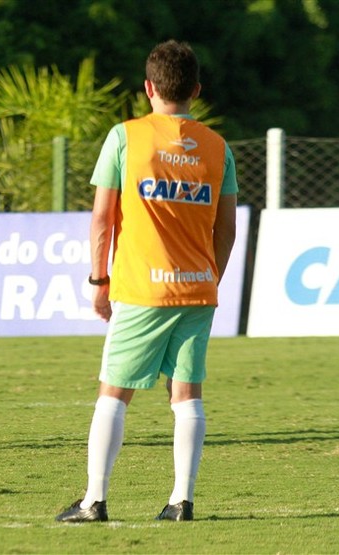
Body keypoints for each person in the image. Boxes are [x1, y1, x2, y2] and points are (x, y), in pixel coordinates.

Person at [55, 40, 238, 522]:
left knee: (113, 392)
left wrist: (99, 278)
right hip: (198, 289)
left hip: (141, 289)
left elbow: (101, 217)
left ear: (149, 88)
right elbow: (227, 228)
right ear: (195, 90)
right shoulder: (218, 147)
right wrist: (209, 276)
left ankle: (94, 500)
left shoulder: (126, 137)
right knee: (187, 394)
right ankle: (182, 500)